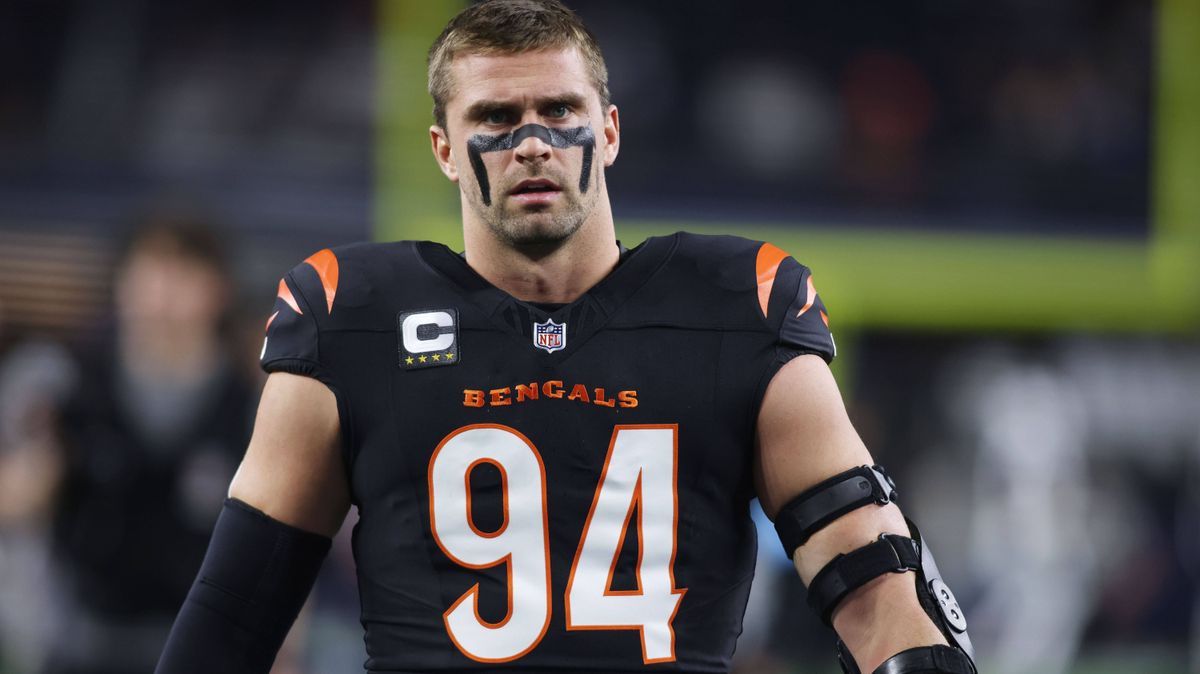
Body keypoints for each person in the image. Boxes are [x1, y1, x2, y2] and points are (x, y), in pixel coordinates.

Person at [156, 2, 976, 673]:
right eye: (495, 117)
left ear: (609, 132)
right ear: (444, 150)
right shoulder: (351, 317)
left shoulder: (739, 308)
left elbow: (874, 591)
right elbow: (234, 617)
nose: (533, 143)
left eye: (560, 111)